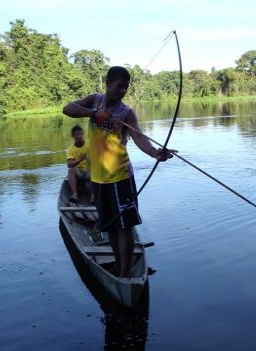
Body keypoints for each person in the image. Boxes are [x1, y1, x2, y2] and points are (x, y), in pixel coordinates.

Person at [62, 66, 175, 278]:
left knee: (125, 226)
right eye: (119, 86)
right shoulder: (94, 100)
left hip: (120, 177)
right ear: (107, 83)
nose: (122, 90)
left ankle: (124, 270)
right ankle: (118, 265)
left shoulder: (126, 113)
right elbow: (68, 109)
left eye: (126, 87)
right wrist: (95, 113)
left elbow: (138, 136)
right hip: (98, 178)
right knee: (110, 226)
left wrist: (154, 152)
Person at [66, 125, 92, 203]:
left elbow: (97, 161)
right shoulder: (70, 149)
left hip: (89, 171)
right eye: (76, 135)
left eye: (80, 134)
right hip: (79, 173)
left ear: (83, 134)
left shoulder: (89, 145)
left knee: (96, 169)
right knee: (71, 170)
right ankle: (74, 194)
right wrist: (79, 160)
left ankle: (93, 196)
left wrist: (88, 158)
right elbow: (69, 164)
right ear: (73, 136)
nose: (79, 136)